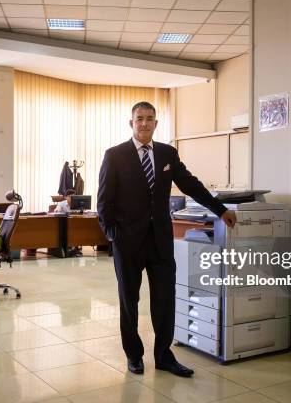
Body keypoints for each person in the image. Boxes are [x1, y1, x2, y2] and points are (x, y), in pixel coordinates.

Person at [97, 101, 236, 378]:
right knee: (129, 301)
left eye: (149, 119)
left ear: (156, 123)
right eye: (139, 119)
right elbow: (104, 202)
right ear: (131, 123)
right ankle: (134, 355)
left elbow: (191, 184)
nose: (144, 123)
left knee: (164, 300)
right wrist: (113, 235)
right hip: (128, 242)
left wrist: (220, 210)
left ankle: (163, 356)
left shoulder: (167, 153)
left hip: (160, 240)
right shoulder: (115, 155)